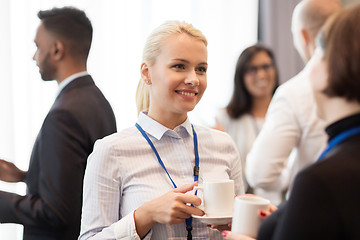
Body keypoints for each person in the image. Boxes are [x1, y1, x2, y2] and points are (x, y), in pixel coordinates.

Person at [79, 20, 244, 240]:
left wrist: (241, 223)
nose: (193, 79)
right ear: (146, 72)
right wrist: (146, 214)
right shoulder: (111, 151)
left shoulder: (224, 146)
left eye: (201, 69)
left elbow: (241, 230)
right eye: (179, 66)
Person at [222, 3, 360, 239]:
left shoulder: (316, 181)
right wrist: (289, 214)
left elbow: (260, 173)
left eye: (320, 52)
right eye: (252, 69)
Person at [0, 7, 117, 240]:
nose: (34, 56)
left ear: (56, 50)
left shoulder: (64, 114)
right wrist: (28, 175)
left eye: (37, 46)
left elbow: (56, 212)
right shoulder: (98, 101)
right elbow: (80, 181)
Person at [246, 0, 342, 199]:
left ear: (303, 36)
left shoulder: (294, 91)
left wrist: (292, 175)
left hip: (315, 208)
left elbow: (260, 173)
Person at [214, 45, 280, 204]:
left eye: (266, 66)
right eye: (252, 69)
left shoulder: (287, 113)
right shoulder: (226, 119)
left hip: (285, 205)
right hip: (243, 206)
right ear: (241, 76)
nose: (261, 74)